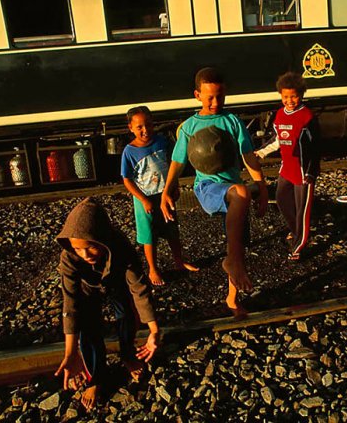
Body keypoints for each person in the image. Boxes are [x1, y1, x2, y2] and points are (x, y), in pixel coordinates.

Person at [160, 67, 268, 317]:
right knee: (241, 193)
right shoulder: (189, 126)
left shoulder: (232, 122)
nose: (215, 102)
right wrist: (167, 190)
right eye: (209, 97)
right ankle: (232, 263)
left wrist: (262, 188)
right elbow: (178, 161)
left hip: (232, 188)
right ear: (197, 95)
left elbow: (248, 155)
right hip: (208, 188)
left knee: (237, 244)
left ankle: (232, 298)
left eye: (220, 96)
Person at [54, 197, 160, 411]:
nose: (85, 255)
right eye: (78, 249)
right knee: (88, 325)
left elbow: (139, 289)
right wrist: (70, 353)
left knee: (126, 314)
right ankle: (95, 377)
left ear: (102, 240)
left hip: (115, 280)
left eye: (91, 247)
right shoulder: (69, 256)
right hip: (86, 287)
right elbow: (70, 304)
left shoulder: (121, 247)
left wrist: (154, 330)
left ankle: (127, 354)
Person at [121, 106, 197, 286]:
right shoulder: (129, 152)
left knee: (172, 230)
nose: (145, 130)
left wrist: (174, 186)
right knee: (150, 236)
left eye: (148, 124)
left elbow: (173, 164)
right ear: (130, 128)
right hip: (144, 199)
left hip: (165, 195)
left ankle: (179, 261)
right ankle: (153, 268)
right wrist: (143, 200)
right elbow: (127, 180)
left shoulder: (162, 142)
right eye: (139, 127)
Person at [255, 72, 320, 261]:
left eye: (294, 96)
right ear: (280, 96)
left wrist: (311, 173)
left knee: (302, 211)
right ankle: (295, 231)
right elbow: (278, 139)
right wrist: (261, 152)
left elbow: (315, 148)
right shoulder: (280, 115)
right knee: (282, 201)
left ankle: (298, 246)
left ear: (301, 95)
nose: (289, 101)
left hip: (303, 172)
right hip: (287, 170)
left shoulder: (307, 117)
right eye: (285, 97)